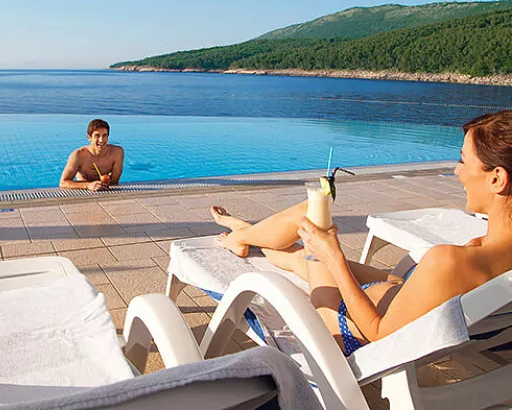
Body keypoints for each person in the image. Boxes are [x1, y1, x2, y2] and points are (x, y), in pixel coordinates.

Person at [210, 110, 512, 356]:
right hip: (405, 295)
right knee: (306, 251)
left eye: (463, 161)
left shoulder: (449, 261)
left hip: (349, 328)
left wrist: (335, 258)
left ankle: (242, 235)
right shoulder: (489, 252)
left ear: (497, 179)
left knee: (311, 221)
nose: (457, 171)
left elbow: (381, 335)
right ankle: (245, 234)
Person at [60, 119, 124, 192]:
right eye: (97, 135)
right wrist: (87, 185)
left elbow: (114, 182)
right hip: (84, 193)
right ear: (89, 137)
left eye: (104, 135)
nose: (101, 140)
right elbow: (63, 183)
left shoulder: (117, 153)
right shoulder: (78, 155)